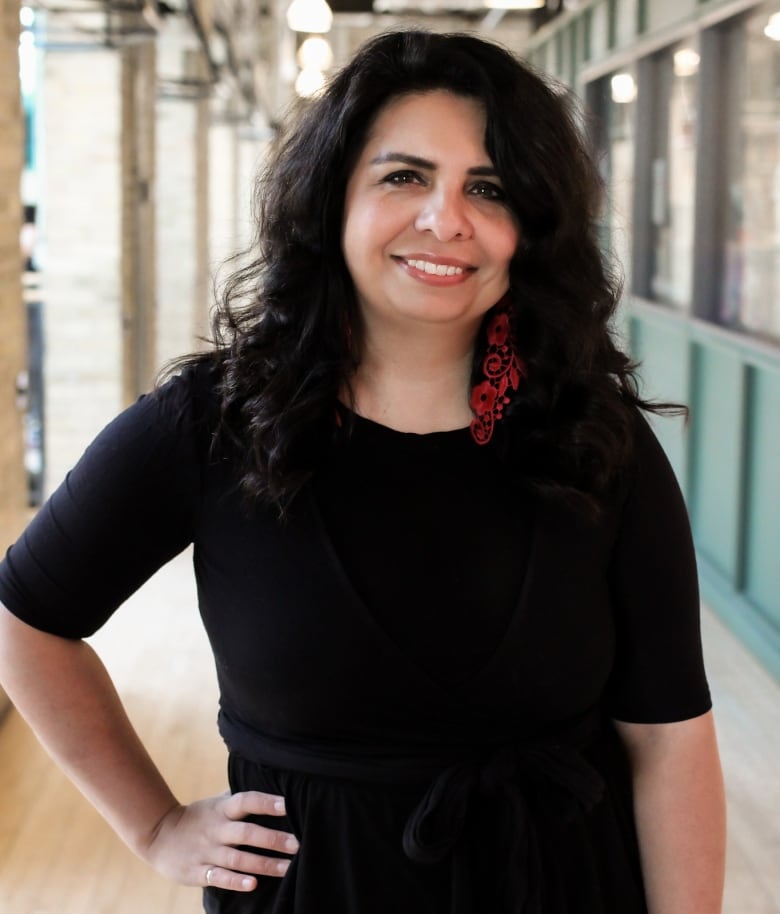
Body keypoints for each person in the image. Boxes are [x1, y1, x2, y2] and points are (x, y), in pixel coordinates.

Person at [0, 29, 726, 914]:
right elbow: (26, 621)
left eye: (487, 189)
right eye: (404, 176)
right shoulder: (214, 423)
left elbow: (669, 741)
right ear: (330, 202)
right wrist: (154, 827)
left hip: (560, 883)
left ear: (529, 229)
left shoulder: (595, 437)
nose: (446, 219)